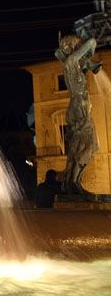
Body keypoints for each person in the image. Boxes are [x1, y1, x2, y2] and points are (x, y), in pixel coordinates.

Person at [55, 35, 102, 194]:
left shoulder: (75, 65)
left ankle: (74, 182)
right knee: (87, 147)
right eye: (76, 44)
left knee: (85, 147)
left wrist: (90, 63)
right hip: (77, 108)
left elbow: (86, 62)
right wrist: (90, 48)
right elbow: (91, 42)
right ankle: (73, 182)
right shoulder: (70, 62)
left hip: (81, 107)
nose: (79, 45)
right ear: (72, 46)